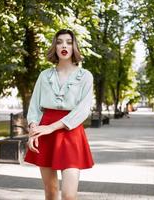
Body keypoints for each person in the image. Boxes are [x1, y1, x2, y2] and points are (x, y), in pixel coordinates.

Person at [24, 29, 94, 200]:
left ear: (74, 46)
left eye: (69, 42)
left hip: (71, 131)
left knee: (69, 195)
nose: (64, 45)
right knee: (51, 190)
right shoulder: (44, 75)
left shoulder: (85, 76)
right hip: (44, 131)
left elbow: (83, 110)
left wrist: (51, 128)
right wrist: (34, 129)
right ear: (55, 47)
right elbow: (34, 106)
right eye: (60, 42)